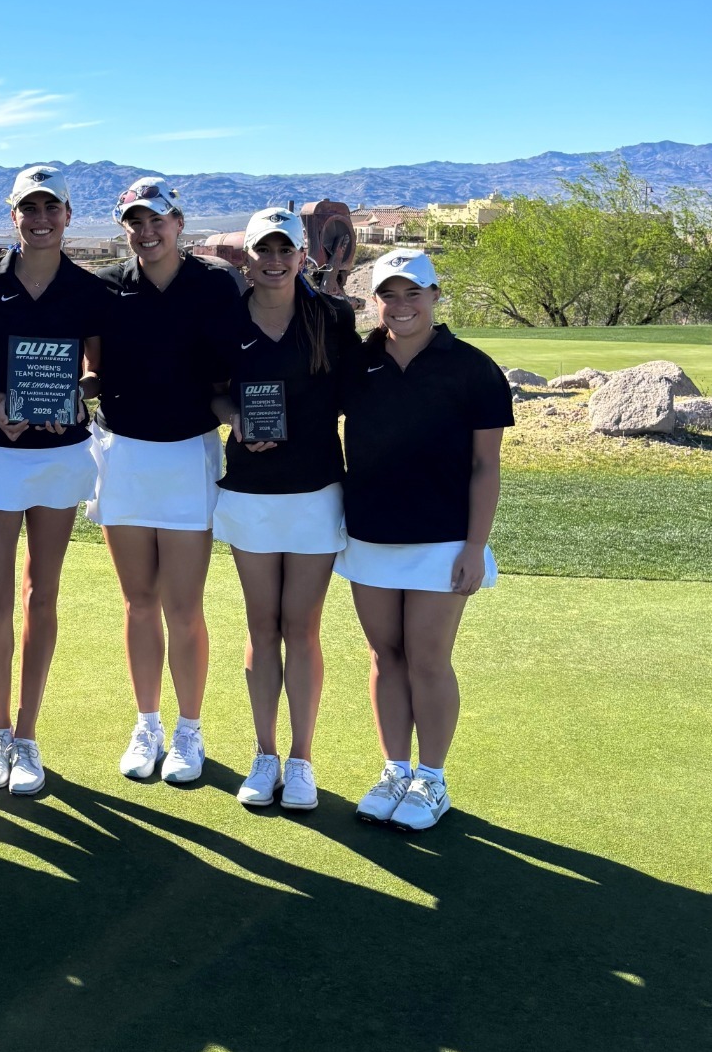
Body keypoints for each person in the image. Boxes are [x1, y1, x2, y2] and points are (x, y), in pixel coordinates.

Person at [335, 247, 514, 831]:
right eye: (390, 293)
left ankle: (431, 781)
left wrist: (473, 545)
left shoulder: (473, 367)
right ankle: (394, 770)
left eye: (414, 292)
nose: (402, 304)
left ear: (436, 297)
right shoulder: (356, 362)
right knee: (385, 657)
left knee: (429, 660)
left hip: (442, 538)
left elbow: (486, 466)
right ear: (375, 301)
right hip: (369, 534)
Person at [0, 166, 106, 796]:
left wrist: (75, 397)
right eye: (28, 208)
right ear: (12, 215)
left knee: (41, 595)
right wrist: (1, 401)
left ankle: (28, 734)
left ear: (67, 215)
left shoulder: (88, 289)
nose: (40, 218)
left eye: (51, 207)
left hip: (61, 455)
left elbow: (99, 374)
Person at [92, 177, 240, 786]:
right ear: (124, 228)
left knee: (183, 605)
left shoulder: (215, 285)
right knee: (138, 601)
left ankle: (189, 729)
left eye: (157, 220)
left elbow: (236, 369)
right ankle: (147, 721)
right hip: (123, 452)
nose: (146, 232)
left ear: (178, 222)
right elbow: (92, 366)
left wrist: (245, 417)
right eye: (135, 222)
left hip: (189, 454)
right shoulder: (108, 290)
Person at [211, 208, 358, 811]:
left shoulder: (329, 316)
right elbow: (214, 391)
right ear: (246, 257)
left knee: (301, 629)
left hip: (316, 491)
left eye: (285, 251)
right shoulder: (227, 320)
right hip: (249, 492)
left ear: (304, 257)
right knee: (261, 626)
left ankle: (301, 760)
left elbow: (357, 394)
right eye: (262, 251)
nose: (273, 262)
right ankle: (264, 753)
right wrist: (236, 419)